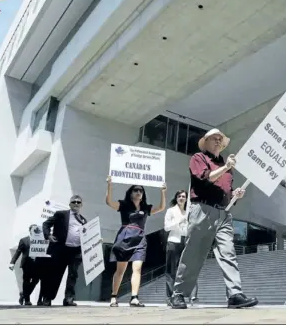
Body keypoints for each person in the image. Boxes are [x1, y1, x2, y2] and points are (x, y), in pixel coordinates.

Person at [169, 128, 258, 309]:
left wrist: (235, 194)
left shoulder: (227, 168)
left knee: (229, 253)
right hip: (202, 209)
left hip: (224, 213)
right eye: (214, 138)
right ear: (206, 142)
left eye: (220, 139)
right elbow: (204, 178)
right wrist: (226, 167)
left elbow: (226, 191)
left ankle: (234, 294)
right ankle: (178, 294)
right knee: (194, 253)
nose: (218, 141)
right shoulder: (198, 158)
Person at [106, 177, 167, 307]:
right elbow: (109, 202)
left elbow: (161, 207)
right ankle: (114, 296)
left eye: (141, 190)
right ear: (131, 192)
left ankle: (134, 297)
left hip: (140, 238)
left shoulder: (145, 207)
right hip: (125, 237)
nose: (138, 192)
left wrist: (162, 192)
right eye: (136, 190)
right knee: (120, 270)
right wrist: (109, 185)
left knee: (137, 268)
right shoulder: (124, 205)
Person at [41, 195, 88, 307]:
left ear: (81, 205)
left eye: (78, 202)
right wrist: (48, 236)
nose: (76, 203)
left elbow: (86, 235)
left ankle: (68, 299)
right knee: (55, 275)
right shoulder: (61, 214)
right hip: (61, 250)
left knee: (73, 276)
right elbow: (46, 224)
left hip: (76, 251)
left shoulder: (83, 220)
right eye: (74, 202)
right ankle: (47, 298)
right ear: (70, 204)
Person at [164, 190, 198, 306]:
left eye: (184, 196)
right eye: (179, 196)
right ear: (176, 198)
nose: (181, 198)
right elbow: (167, 227)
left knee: (185, 269)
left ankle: (190, 296)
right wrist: (179, 220)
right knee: (171, 270)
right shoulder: (171, 211)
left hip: (186, 241)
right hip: (174, 241)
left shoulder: (189, 212)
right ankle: (170, 297)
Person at [9, 225, 44, 306]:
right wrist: (12, 262)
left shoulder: (41, 240)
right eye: (34, 229)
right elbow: (18, 252)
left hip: (38, 264)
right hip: (27, 264)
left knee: (36, 281)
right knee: (26, 281)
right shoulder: (24, 240)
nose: (36, 230)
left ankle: (23, 295)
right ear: (30, 231)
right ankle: (27, 300)